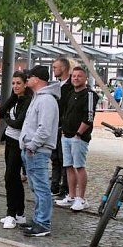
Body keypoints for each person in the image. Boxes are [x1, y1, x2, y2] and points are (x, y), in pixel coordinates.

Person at [18, 66, 61, 238]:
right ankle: (38, 220)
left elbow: (44, 129)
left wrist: (32, 146)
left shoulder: (46, 100)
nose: (27, 79)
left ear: (37, 79)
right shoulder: (40, 98)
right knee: (36, 187)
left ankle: (43, 223)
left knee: (41, 187)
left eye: (29, 77)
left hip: (37, 150)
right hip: (32, 149)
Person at [55, 66, 98, 212]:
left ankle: (81, 198)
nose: (76, 78)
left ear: (85, 78)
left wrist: (79, 133)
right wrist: (63, 131)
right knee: (68, 166)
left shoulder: (90, 95)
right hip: (66, 135)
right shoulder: (70, 94)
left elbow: (89, 117)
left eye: (79, 76)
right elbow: (65, 112)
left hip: (79, 137)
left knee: (79, 166)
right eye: (74, 76)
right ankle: (71, 196)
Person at [0, 70, 32, 228]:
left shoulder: (28, 100)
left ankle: (12, 213)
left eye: (18, 83)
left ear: (26, 83)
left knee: (10, 177)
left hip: (19, 142)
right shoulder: (15, 98)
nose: (15, 86)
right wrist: (12, 96)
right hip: (10, 140)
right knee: (13, 178)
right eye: (13, 83)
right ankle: (19, 213)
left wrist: (8, 119)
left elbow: (18, 123)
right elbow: (0, 112)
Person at [51, 58, 73, 198]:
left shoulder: (69, 87)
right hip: (56, 126)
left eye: (55, 67)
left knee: (63, 158)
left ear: (63, 68)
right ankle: (54, 186)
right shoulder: (57, 86)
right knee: (55, 157)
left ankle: (64, 188)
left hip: (64, 127)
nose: (53, 70)